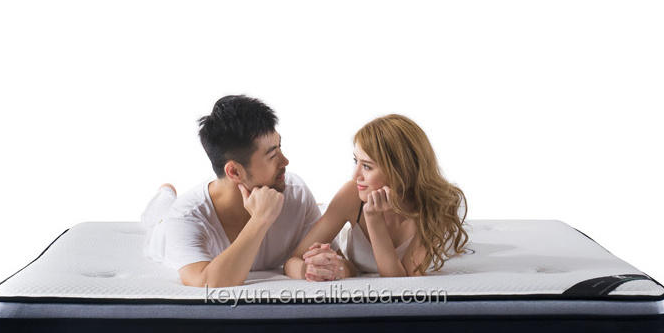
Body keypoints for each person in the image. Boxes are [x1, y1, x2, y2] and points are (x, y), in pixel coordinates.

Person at [142, 95, 322, 288]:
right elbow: (206, 283)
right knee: (162, 212)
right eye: (272, 155)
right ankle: (165, 192)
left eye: (280, 147)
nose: (285, 161)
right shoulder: (184, 216)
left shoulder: (297, 192)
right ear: (234, 171)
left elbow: (326, 254)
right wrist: (260, 220)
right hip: (163, 227)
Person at [285, 114, 468, 281]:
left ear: (401, 171)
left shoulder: (436, 206)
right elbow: (292, 261)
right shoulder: (351, 194)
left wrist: (374, 219)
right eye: (356, 161)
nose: (355, 175)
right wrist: (308, 269)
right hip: (332, 225)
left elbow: (399, 281)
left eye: (367, 166)